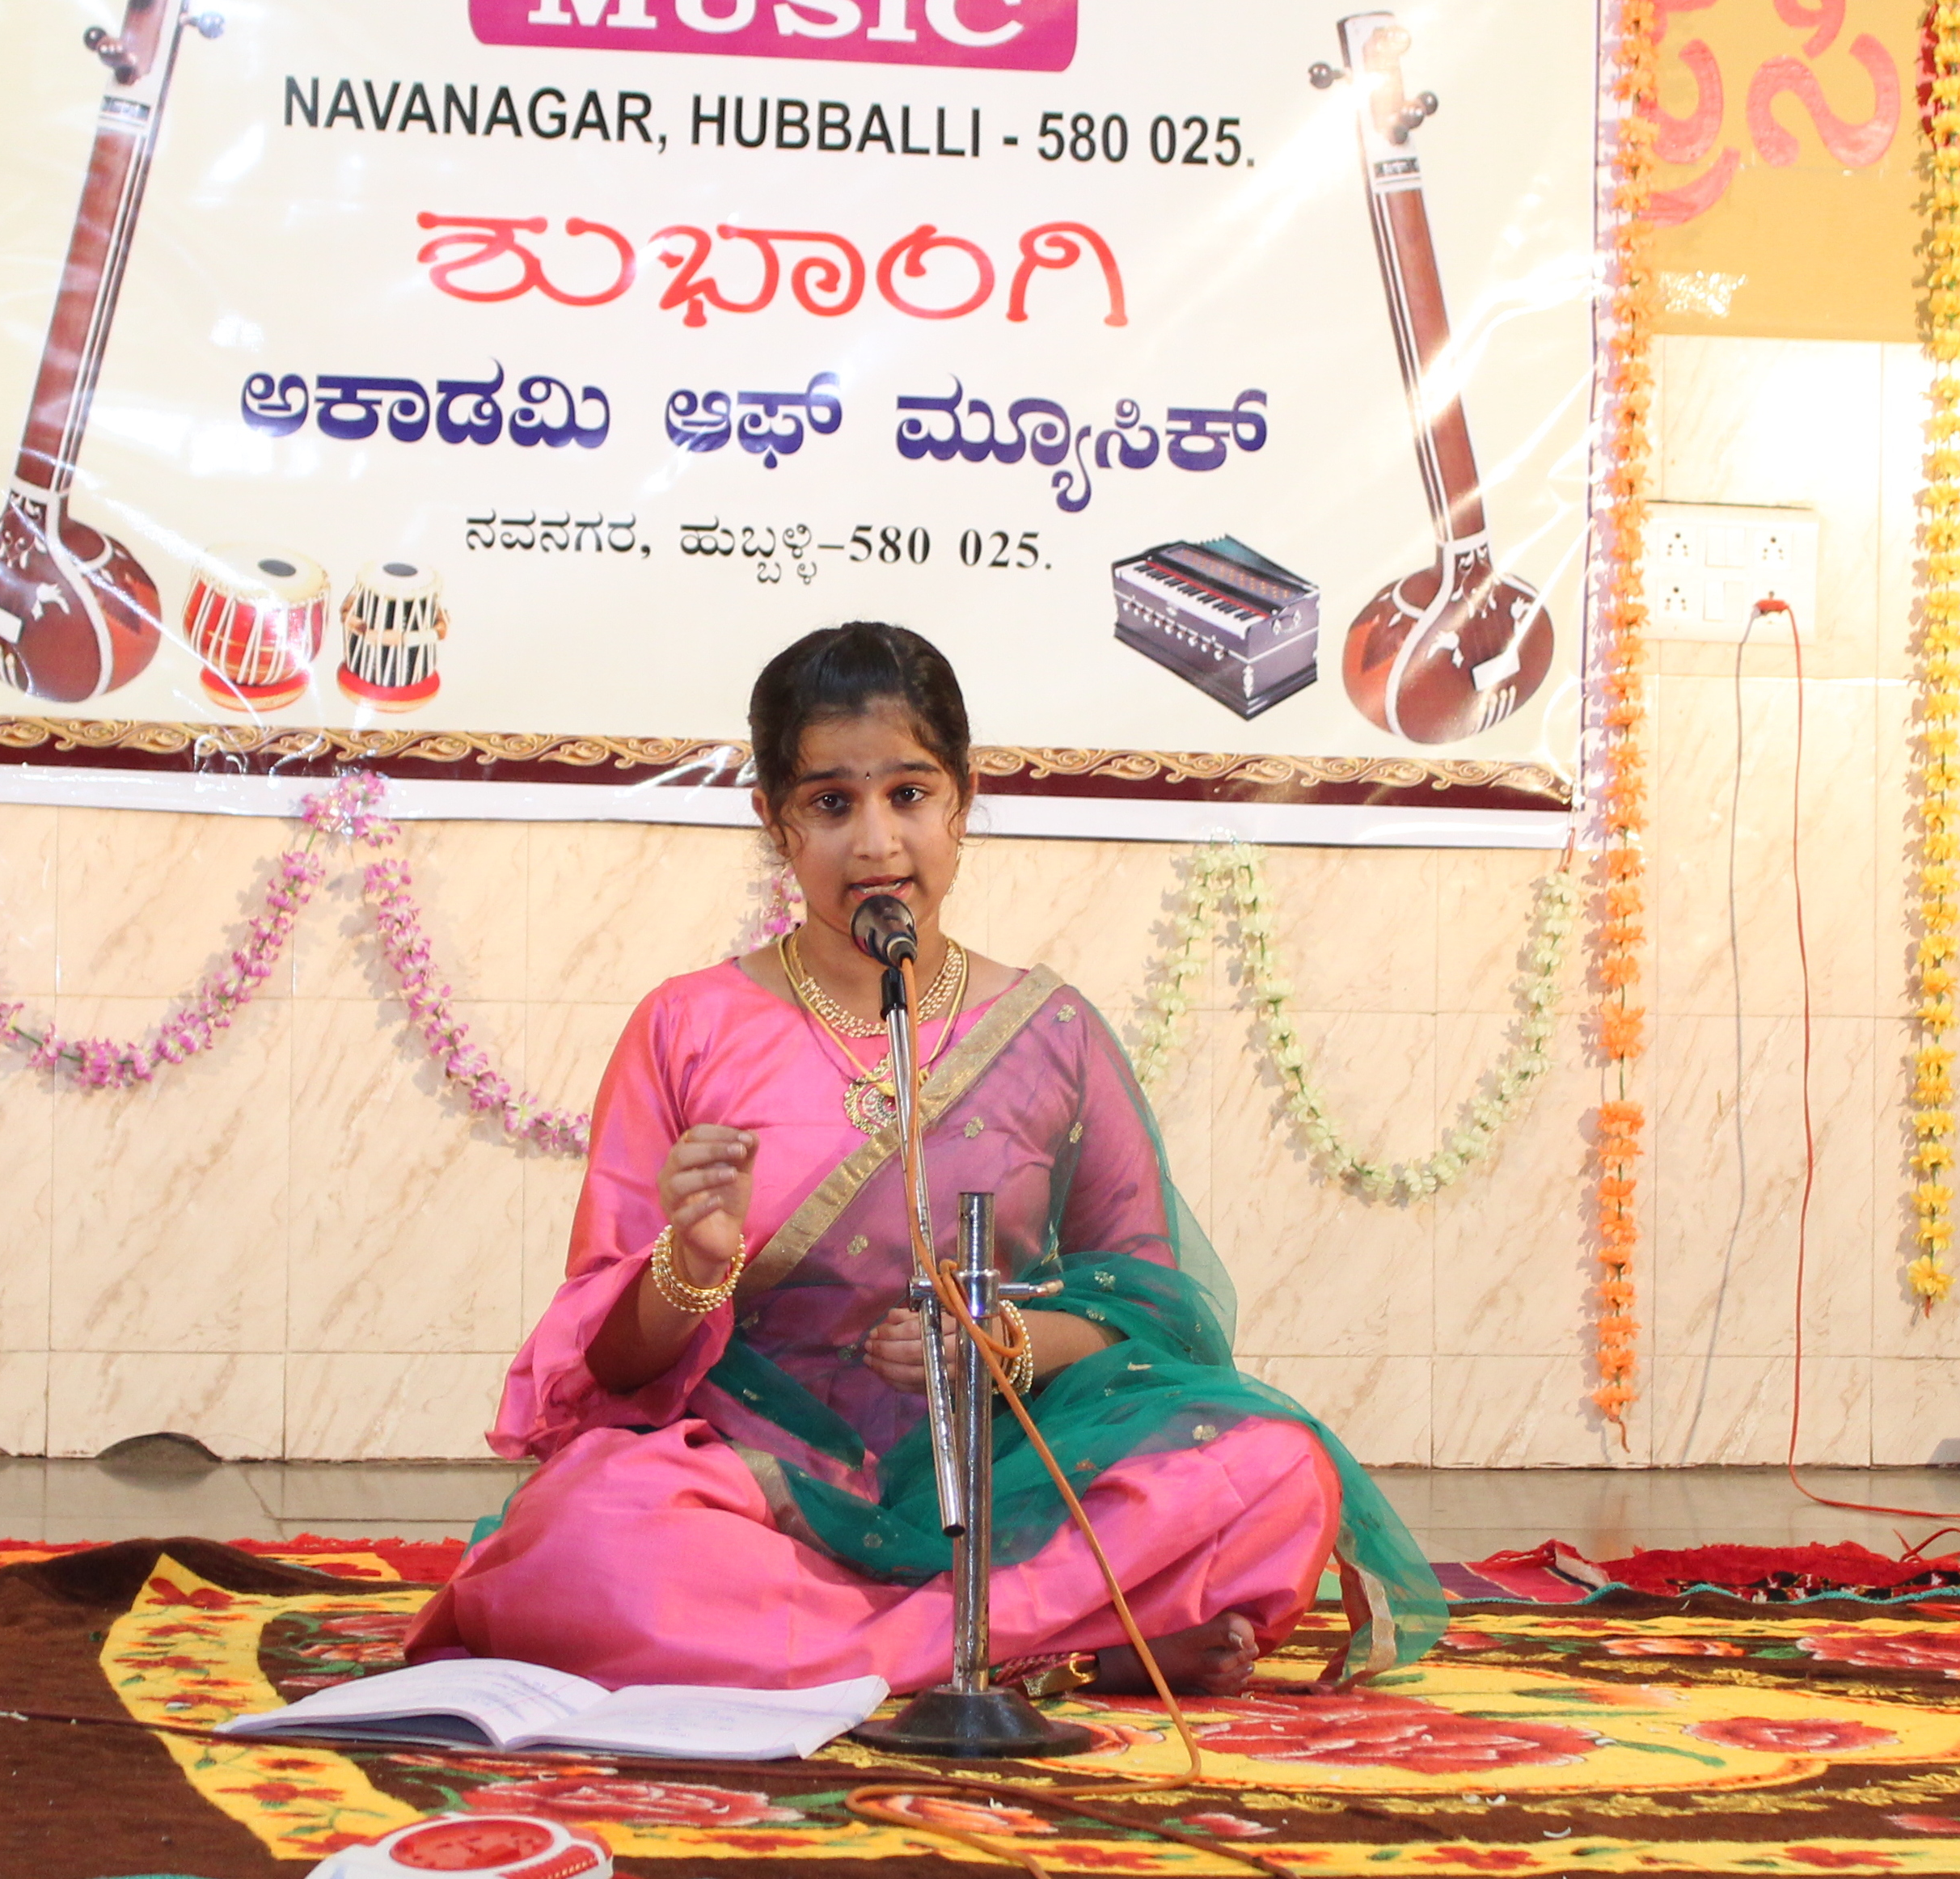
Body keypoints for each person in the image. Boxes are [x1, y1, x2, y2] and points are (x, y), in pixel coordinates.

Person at [406, 622, 1443, 1695]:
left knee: (1275, 1467)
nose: (876, 844)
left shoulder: (1051, 1033)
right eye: (830, 804)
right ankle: (1048, 1635)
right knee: (582, 1545)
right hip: (756, 1480)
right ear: (773, 821)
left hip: (1003, 1471)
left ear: (963, 801)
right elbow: (610, 1370)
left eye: (909, 794)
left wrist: (1002, 1344)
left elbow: (1152, 1312)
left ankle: (870, 1642)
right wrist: (694, 1265)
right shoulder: (686, 1027)